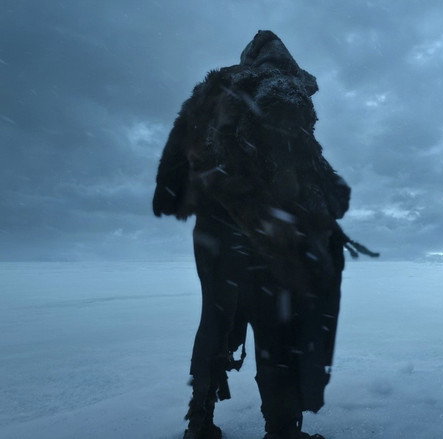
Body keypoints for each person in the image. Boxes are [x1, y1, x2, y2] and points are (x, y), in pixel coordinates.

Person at [152, 30, 376, 439]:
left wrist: (186, 194)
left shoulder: (213, 90)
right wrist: (325, 204)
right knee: (275, 329)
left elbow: (174, 167)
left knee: (215, 319)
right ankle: (282, 430)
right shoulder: (285, 90)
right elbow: (299, 164)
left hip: (214, 230)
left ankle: (199, 424)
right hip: (266, 229)